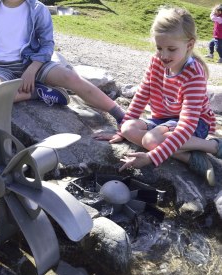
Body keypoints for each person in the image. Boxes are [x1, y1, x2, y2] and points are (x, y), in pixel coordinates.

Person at [95, 6, 222, 186]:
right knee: (128, 128)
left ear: (190, 44)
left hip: (195, 124)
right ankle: (188, 156)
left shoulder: (194, 75)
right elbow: (143, 93)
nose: (163, 55)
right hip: (164, 120)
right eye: (159, 47)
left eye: (171, 49)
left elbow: (186, 126)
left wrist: (151, 157)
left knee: (150, 140)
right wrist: (121, 131)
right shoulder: (157, 60)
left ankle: (213, 146)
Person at [0, 0, 124, 123]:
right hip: (2, 67)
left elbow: (47, 45)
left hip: (32, 62)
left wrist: (32, 69)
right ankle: (38, 92)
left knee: (70, 77)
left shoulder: (38, 9)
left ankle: (120, 114)